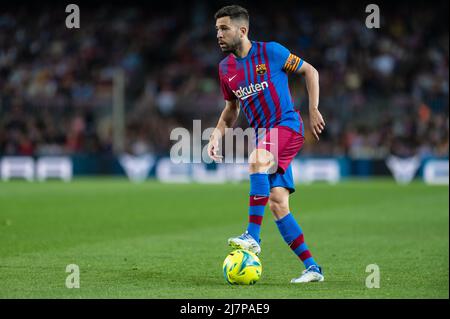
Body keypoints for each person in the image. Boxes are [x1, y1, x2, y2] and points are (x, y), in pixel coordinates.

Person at [207, 5, 326, 283]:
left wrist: (314, 108)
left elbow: (310, 71)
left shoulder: (271, 52)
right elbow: (231, 110)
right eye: (217, 30)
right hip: (264, 135)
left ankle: (252, 236)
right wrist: (216, 134)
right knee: (277, 204)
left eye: (224, 28)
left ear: (242, 30)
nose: (219, 35)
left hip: (287, 125)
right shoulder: (225, 68)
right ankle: (312, 268)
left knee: (256, 159)